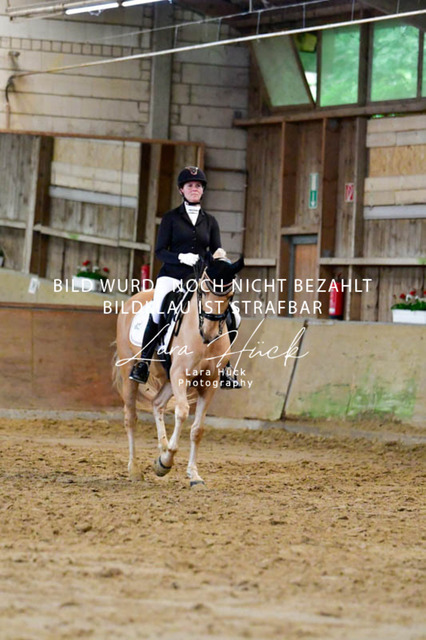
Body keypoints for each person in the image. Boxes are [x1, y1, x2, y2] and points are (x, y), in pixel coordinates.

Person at [129, 166, 241, 388]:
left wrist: (221, 259)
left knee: (232, 315)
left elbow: (216, 250)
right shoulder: (170, 218)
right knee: (158, 309)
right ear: (181, 190)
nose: (194, 189)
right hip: (172, 275)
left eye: (198, 186)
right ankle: (143, 363)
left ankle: (225, 365)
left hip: (200, 279)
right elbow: (160, 251)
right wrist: (181, 257)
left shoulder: (211, 221)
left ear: (203, 190)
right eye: (190, 185)